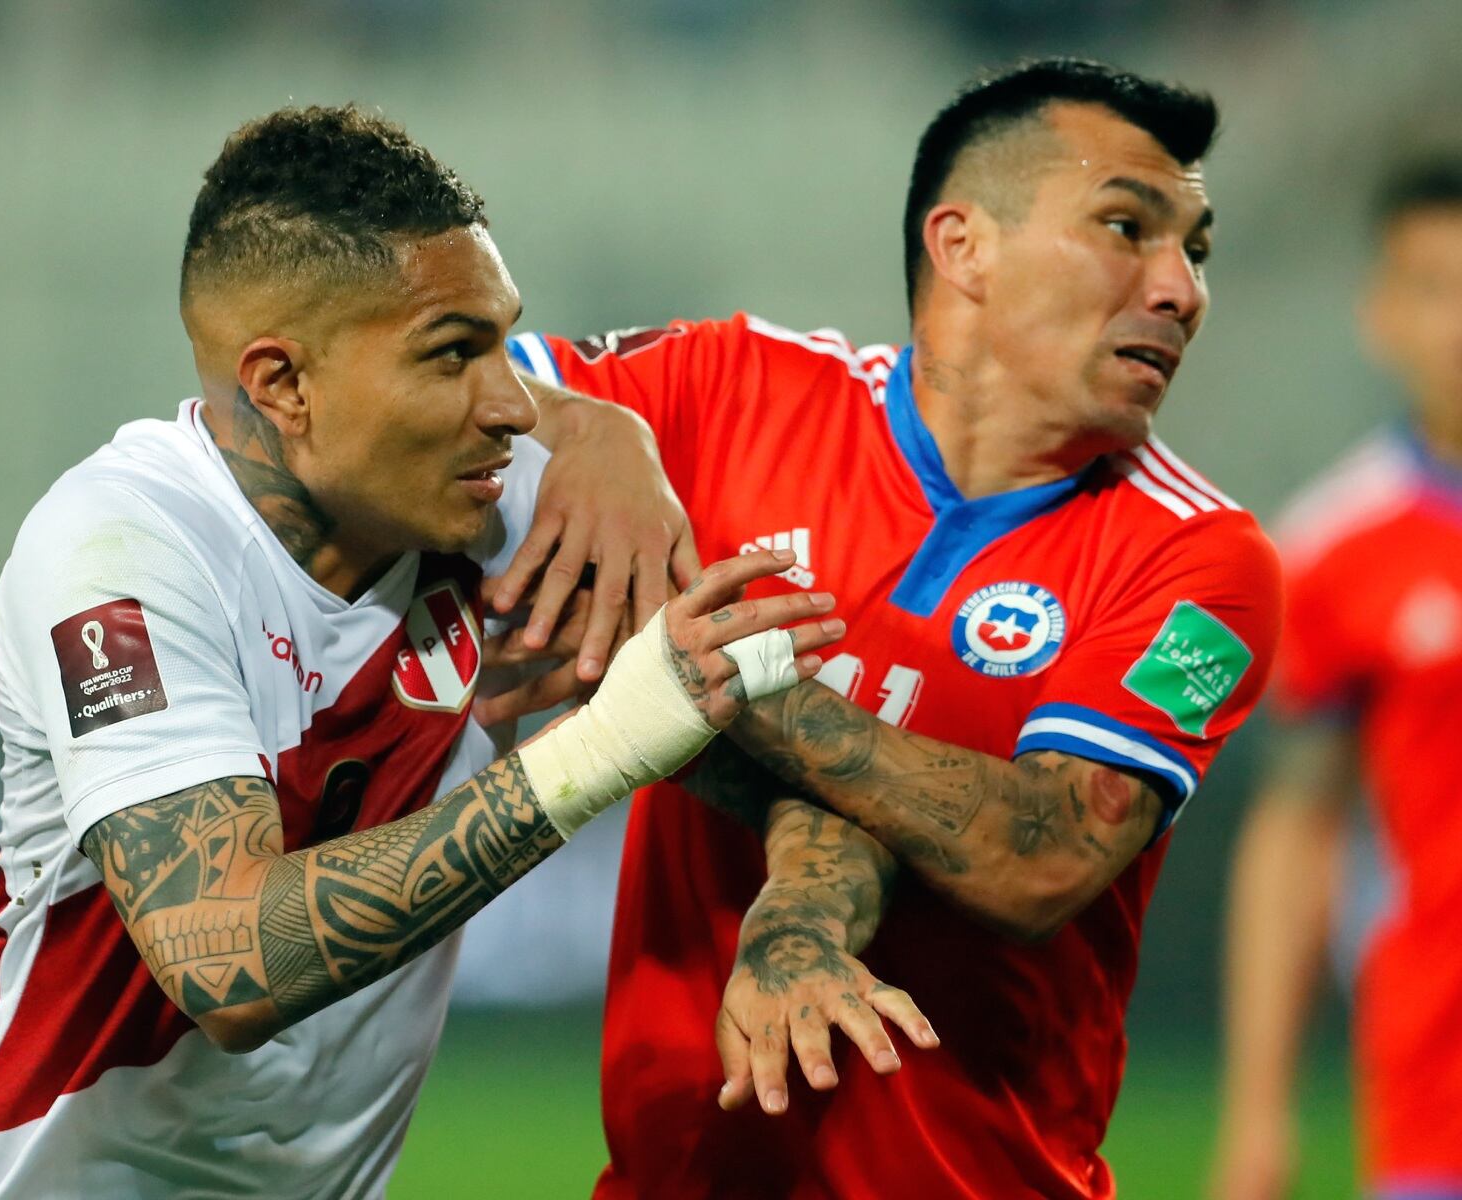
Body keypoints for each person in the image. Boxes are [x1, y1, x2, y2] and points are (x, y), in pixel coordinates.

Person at [0, 105, 845, 1200]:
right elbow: (226, 963)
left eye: (506, 342)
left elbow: (775, 746)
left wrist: (797, 908)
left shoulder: (516, 510)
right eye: (454, 355)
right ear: (283, 385)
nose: (514, 404)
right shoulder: (116, 555)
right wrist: (598, 751)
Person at [504, 58, 1283, 1198]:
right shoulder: (726, 391)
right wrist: (584, 427)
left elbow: (1039, 852)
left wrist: (702, 668)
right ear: (961, 244)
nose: (1180, 289)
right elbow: (437, 406)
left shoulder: (1200, 560)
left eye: (1197, 251)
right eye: (1127, 226)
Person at [1211, 161, 1462, 1200]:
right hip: (1435, 1089)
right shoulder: (1332, 548)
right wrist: (1257, 1113)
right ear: (1382, 315)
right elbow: (1295, 829)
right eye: (1439, 288)